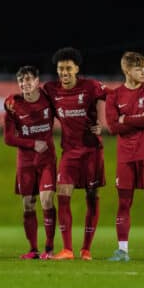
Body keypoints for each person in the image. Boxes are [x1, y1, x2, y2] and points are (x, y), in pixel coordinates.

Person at [42, 46, 107, 260]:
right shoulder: (51, 89)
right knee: (63, 194)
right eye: (61, 68)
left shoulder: (91, 86)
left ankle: (86, 249)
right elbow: (33, 101)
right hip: (69, 152)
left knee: (92, 196)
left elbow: (116, 97)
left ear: (77, 68)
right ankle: (67, 249)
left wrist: (106, 124)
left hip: (92, 151)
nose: (64, 72)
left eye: (68, 68)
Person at [105, 51, 144, 262]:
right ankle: (122, 250)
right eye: (138, 69)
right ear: (127, 70)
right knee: (123, 203)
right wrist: (138, 118)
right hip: (125, 156)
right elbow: (112, 127)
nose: (143, 72)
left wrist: (126, 119)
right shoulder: (114, 96)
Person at [3, 66, 57, 260]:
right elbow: (8, 138)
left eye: (28, 79)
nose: (24, 83)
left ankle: (49, 249)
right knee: (28, 204)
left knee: (46, 199)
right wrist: (33, 143)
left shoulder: (48, 98)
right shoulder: (12, 104)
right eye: (21, 81)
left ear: (37, 81)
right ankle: (33, 250)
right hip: (25, 162)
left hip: (46, 160)